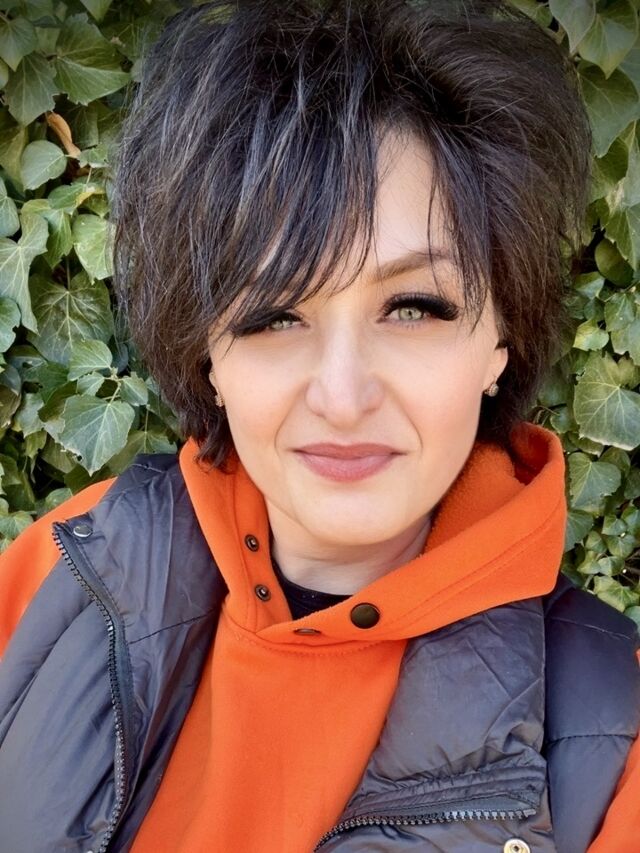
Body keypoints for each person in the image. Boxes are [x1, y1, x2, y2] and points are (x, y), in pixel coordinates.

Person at [0, 0, 639, 850]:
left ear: (501, 340)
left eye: (414, 307)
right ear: (207, 354)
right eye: (274, 316)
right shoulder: (67, 566)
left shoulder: (615, 744)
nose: (342, 396)